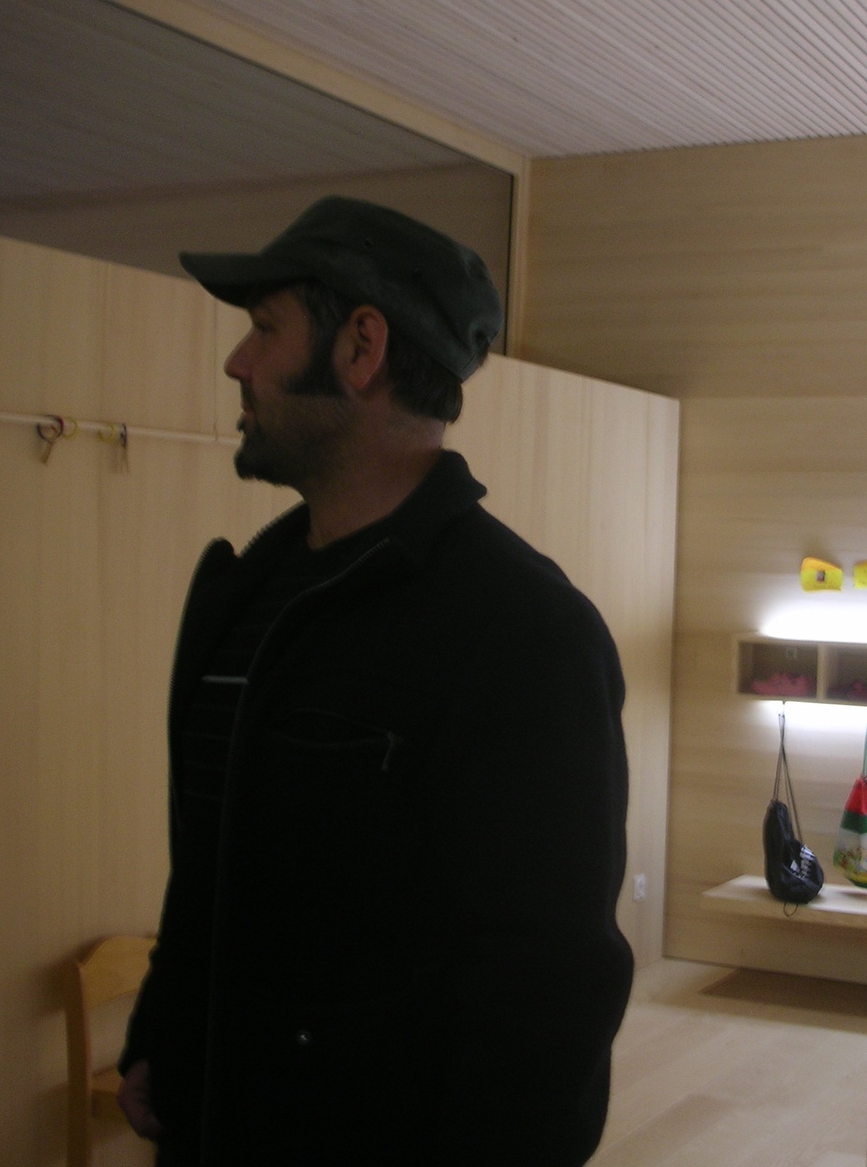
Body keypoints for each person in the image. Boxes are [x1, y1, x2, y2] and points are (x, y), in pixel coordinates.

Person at [117, 197, 634, 1165]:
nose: (237, 362)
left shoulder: (522, 631)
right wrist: (165, 1026)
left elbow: (545, 983)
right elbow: (215, 876)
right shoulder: (244, 595)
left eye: (264, 328)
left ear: (362, 348)